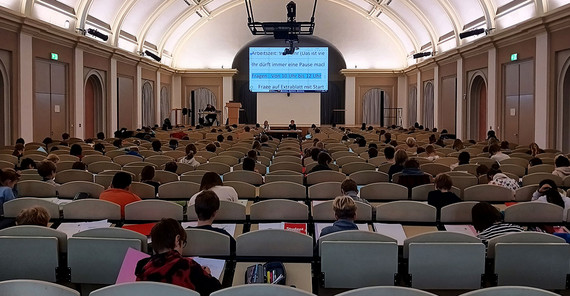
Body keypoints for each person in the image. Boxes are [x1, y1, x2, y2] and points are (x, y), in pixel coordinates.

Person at [135, 218, 222, 295]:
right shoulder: (188, 266)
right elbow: (217, 290)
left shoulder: (142, 265)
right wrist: (208, 275)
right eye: (183, 242)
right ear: (177, 240)